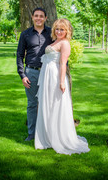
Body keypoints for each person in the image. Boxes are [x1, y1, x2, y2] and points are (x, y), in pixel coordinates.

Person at [35, 18, 90, 155]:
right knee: (47, 105)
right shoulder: (56, 41)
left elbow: (62, 64)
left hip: (55, 77)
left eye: (62, 29)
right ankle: (47, 137)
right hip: (48, 76)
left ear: (67, 31)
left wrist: (61, 82)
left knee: (56, 105)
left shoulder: (65, 43)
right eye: (57, 29)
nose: (59, 31)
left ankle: (58, 137)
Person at [17, 7, 52, 141]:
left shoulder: (51, 33)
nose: (38, 18)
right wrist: (22, 75)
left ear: (45, 18)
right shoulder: (25, 34)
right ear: (32, 17)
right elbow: (20, 55)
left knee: (48, 103)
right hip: (31, 73)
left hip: (48, 72)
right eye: (36, 16)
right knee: (32, 103)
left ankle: (47, 133)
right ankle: (32, 133)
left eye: (41, 16)